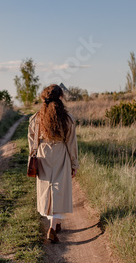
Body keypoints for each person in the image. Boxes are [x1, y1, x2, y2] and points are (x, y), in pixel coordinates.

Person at [28, 84, 79, 243]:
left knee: (46, 189)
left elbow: (32, 142)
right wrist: (74, 164)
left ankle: (54, 224)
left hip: (43, 154)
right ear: (61, 98)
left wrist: (32, 157)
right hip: (61, 153)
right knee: (59, 189)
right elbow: (72, 143)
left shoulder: (36, 118)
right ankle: (53, 225)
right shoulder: (68, 119)